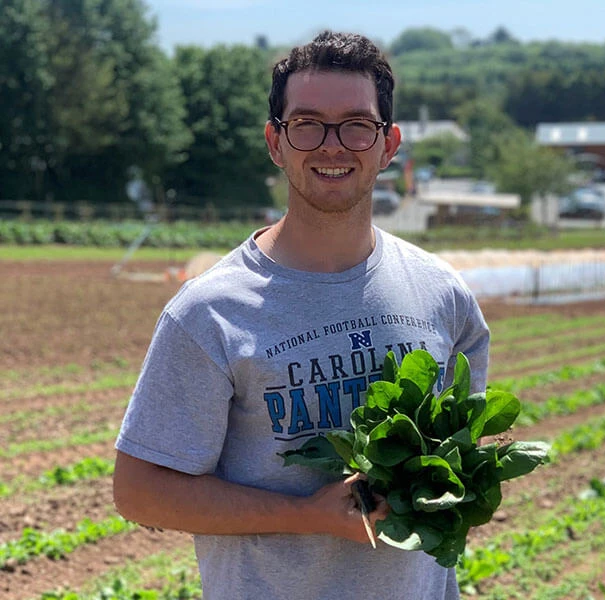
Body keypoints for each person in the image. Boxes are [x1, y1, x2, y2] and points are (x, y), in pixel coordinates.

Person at [112, 30, 489, 600]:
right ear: (276, 142)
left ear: (388, 145)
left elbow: (460, 460)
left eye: (357, 126)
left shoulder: (442, 294)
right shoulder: (209, 312)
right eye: (307, 123)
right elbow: (139, 492)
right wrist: (308, 513)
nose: (332, 145)